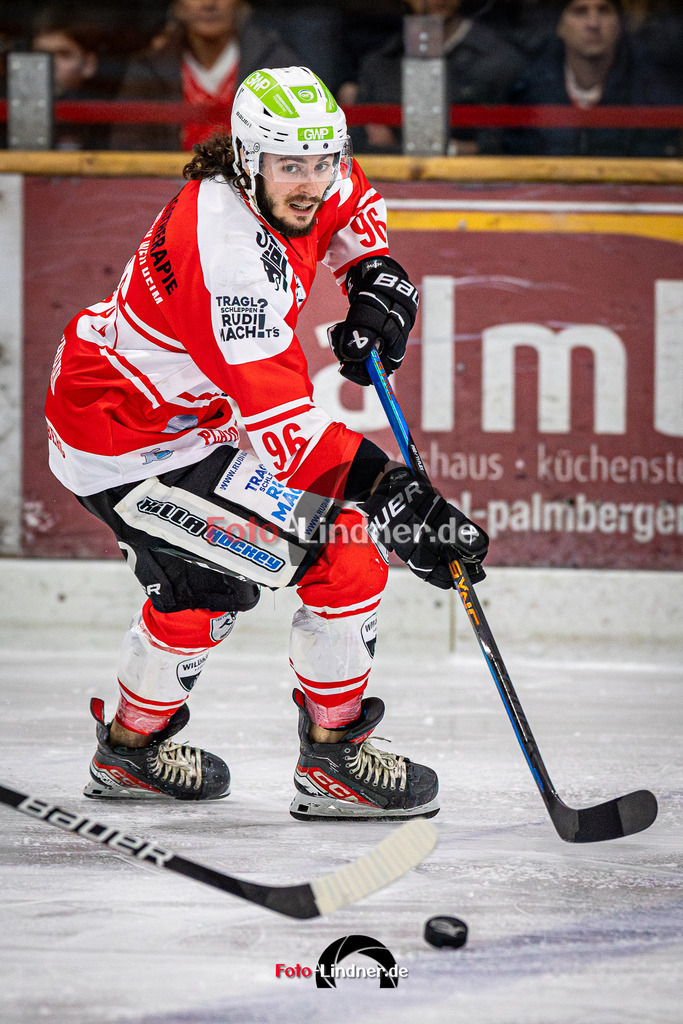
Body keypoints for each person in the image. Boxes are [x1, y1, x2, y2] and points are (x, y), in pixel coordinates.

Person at [45, 66, 489, 820]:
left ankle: (130, 753)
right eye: (292, 165)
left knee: (200, 587)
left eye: (324, 159)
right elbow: (288, 437)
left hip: (171, 418)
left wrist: (374, 276)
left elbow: (355, 204)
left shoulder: (289, 181)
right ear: (248, 161)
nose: (312, 182)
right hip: (131, 447)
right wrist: (396, 498)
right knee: (345, 545)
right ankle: (334, 759)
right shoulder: (227, 261)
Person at [111, 0, 298, 151]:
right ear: (178, 6)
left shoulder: (278, 67)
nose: (209, 4)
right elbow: (126, 150)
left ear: (240, 4)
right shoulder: (149, 68)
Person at [502, 0, 680, 156]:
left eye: (604, 10)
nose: (593, 23)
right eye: (580, 11)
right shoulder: (526, 94)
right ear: (559, 25)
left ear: (619, 25)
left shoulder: (654, 95)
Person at [347, 0, 526, 155]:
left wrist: (396, 147)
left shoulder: (499, 61)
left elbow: (507, 147)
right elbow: (361, 145)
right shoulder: (380, 64)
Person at [31, 1, 111, 150]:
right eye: (41, 55)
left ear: (89, 64)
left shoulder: (103, 121)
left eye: (63, 54)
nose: (50, 65)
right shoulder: (13, 117)